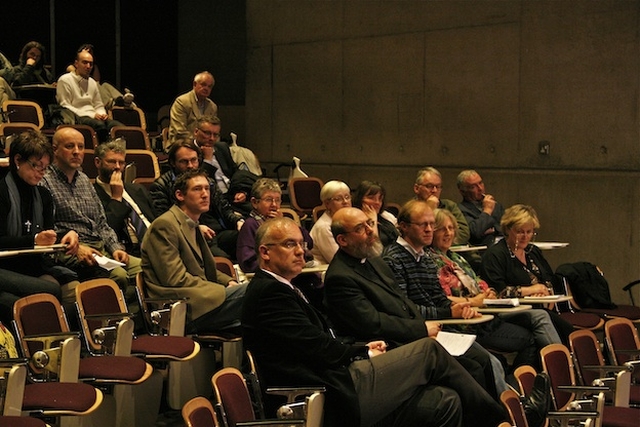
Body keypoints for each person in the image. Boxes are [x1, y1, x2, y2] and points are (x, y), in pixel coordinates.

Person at [242, 216, 507, 427]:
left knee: (445, 400)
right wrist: (363, 351)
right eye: (290, 244)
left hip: (340, 375)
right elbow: (318, 349)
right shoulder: (269, 293)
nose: (301, 251)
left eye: (302, 243)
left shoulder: (288, 287)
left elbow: (324, 339)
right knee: (429, 351)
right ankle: (500, 420)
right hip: (328, 391)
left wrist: (366, 347)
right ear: (264, 252)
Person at [324, 206, 506, 400]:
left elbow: (403, 301)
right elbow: (372, 323)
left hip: (414, 334)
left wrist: (436, 319)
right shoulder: (340, 277)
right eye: (360, 228)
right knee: (472, 368)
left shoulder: (373, 260)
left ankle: (505, 415)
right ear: (342, 240)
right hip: (389, 346)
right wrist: (420, 329)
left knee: (482, 360)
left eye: (370, 223)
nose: (370, 231)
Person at [427, 207, 562, 368]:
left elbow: (481, 283)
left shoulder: (456, 258)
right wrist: (476, 300)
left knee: (547, 323)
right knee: (533, 332)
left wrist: (487, 292)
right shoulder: (431, 262)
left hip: (487, 316)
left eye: (451, 228)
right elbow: (440, 299)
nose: (448, 233)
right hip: (465, 324)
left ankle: (553, 372)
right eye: (442, 229)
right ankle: (554, 373)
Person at [141, 169, 246, 333]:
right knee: (261, 291)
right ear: (179, 195)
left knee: (262, 311)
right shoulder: (165, 226)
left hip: (201, 299)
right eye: (197, 189)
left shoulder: (192, 223)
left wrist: (227, 282)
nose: (205, 194)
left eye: (207, 188)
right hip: (183, 306)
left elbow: (205, 268)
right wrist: (222, 290)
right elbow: (175, 279)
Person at [39, 127, 141, 292]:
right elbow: (47, 228)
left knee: (143, 270)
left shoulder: (84, 180)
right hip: (70, 248)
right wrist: (77, 247)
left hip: (99, 246)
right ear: (55, 150)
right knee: (119, 276)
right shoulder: (44, 181)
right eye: (70, 146)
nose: (76, 152)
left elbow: (101, 223)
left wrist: (115, 248)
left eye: (80, 147)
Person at [0, 130, 80, 322]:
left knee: (73, 288)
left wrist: (66, 237)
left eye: (45, 168)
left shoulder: (44, 196)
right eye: (36, 166)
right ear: (18, 160)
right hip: (4, 267)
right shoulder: (1, 192)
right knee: (50, 290)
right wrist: (34, 240)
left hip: (33, 266)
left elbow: (47, 236)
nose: (41, 173)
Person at [480, 204, 574, 342]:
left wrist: (544, 290)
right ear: (507, 229)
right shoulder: (495, 255)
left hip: (538, 307)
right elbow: (497, 292)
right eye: (519, 232)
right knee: (558, 326)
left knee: (565, 328)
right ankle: (562, 359)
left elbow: (549, 278)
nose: (525, 237)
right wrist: (529, 290)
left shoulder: (532, 251)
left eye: (529, 232)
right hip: (508, 311)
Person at [149, 137, 244, 259]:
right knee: (223, 260)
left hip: (217, 231)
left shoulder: (207, 181)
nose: (190, 166)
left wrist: (238, 221)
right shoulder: (161, 186)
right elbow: (164, 220)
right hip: (189, 236)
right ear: (173, 163)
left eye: (194, 160)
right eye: (184, 161)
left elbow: (224, 208)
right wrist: (194, 227)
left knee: (250, 236)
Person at [236, 178, 321, 306]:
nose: (274, 205)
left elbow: (308, 243)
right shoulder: (250, 225)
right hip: (272, 281)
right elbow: (247, 262)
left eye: (277, 200)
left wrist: (283, 223)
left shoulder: (284, 221)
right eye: (269, 200)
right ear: (254, 202)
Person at [93, 139, 158, 256]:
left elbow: (156, 220)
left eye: (121, 163)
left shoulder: (138, 189)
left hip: (158, 244)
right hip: (130, 251)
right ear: (98, 162)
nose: (117, 167)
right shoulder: (91, 194)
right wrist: (116, 198)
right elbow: (106, 231)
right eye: (112, 162)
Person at [56, 49, 123, 142]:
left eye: (90, 64)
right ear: (76, 63)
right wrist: (92, 114)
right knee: (100, 126)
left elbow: (98, 104)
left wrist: (102, 114)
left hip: (94, 116)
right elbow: (65, 105)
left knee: (119, 128)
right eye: (85, 63)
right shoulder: (65, 80)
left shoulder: (92, 82)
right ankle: (103, 152)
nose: (88, 66)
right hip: (77, 116)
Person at [193, 116, 254, 215]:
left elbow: (235, 172)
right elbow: (198, 181)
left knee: (260, 209)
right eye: (207, 133)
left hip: (232, 195)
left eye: (215, 135)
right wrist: (207, 160)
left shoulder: (222, 147)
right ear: (196, 132)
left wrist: (242, 192)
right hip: (211, 201)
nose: (212, 138)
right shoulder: (189, 152)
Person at [65, 44, 134, 110]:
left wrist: (93, 63)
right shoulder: (72, 66)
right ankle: (113, 103)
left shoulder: (91, 66)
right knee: (95, 84)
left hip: (91, 91)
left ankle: (124, 100)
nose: (88, 52)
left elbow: (97, 80)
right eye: (86, 50)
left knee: (105, 85)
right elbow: (80, 76)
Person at [413, 166, 469, 245]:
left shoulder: (449, 206)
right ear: (416, 188)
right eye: (429, 186)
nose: (434, 190)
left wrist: (444, 241)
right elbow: (416, 236)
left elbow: (464, 234)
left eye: (438, 187)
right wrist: (429, 209)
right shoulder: (410, 209)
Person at [457, 170, 505, 247]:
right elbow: (474, 233)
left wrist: (493, 229)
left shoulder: (496, 205)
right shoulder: (460, 210)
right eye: (473, 187)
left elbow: (507, 228)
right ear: (462, 192)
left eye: (480, 183)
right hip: (482, 251)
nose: (480, 188)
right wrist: (487, 210)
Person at [309, 180, 351, 264]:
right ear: (327, 204)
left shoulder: (348, 222)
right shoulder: (324, 227)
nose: (345, 202)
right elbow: (337, 260)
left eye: (347, 197)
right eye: (338, 199)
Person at [169, 71, 218, 141]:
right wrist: (198, 142)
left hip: (205, 143)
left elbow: (214, 129)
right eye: (203, 85)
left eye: (209, 86)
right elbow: (179, 132)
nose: (206, 88)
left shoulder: (212, 107)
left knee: (223, 147)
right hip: (181, 143)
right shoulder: (181, 102)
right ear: (194, 84)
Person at [352, 180, 398, 247]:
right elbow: (374, 247)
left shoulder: (385, 217)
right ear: (359, 199)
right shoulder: (355, 221)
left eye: (380, 199)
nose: (377, 202)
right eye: (371, 198)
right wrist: (372, 220)